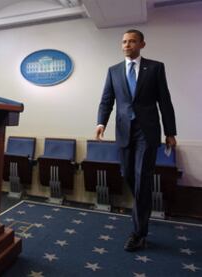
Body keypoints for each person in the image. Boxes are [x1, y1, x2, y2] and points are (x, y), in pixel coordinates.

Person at [95, 29, 177, 252]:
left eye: (132, 41)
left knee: (142, 178)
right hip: (124, 132)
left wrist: (170, 132)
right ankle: (143, 209)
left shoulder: (156, 67)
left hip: (147, 133)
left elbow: (165, 101)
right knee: (130, 176)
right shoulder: (113, 71)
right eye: (124, 42)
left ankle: (139, 233)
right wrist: (101, 122)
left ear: (142, 44)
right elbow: (106, 100)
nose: (127, 45)